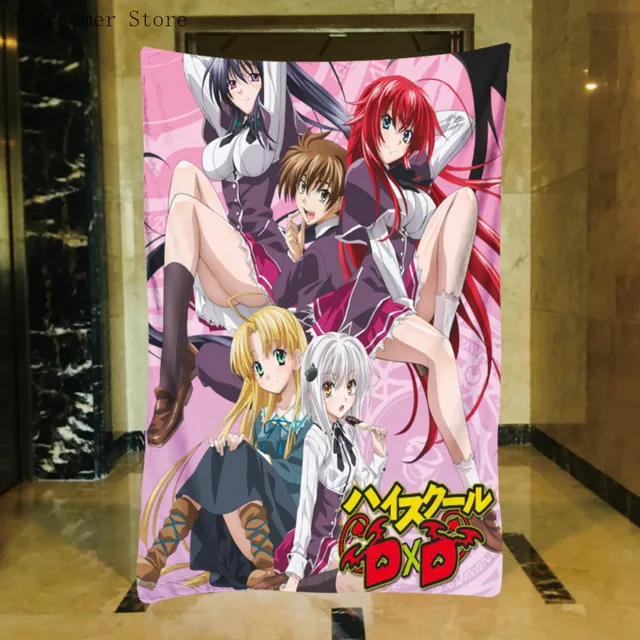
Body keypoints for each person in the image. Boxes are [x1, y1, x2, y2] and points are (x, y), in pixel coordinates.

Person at [310, 76, 503, 551]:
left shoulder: (407, 172)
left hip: (408, 291)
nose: (394, 138)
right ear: (371, 119)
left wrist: (419, 139)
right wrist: (413, 321)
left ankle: (441, 329)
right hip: (366, 304)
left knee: (463, 200)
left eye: (406, 132)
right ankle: (476, 495)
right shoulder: (362, 175)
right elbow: (374, 256)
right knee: (437, 353)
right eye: (388, 124)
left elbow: (458, 123)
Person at [146, 56, 350, 447]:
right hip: (232, 256)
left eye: (251, 78)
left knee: (185, 209)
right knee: (185, 175)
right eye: (232, 83)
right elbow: (194, 67)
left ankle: (170, 378)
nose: (242, 90)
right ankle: (181, 359)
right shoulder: (225, 126)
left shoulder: (278, 124)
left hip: (263, 266)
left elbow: (327, 169)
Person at [137, 306, 312, 591]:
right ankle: (155, 558)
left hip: (295, 531)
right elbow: (256, 479)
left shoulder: (315, 415)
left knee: (238, 453)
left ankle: (267, 567)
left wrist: (254, 457)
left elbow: (309, 482)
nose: (266, 374)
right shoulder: (262, 417)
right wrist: (233, 452)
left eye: (275, 356)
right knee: (220, 453)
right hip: (256, 531)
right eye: (257, 367)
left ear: (296, 357)